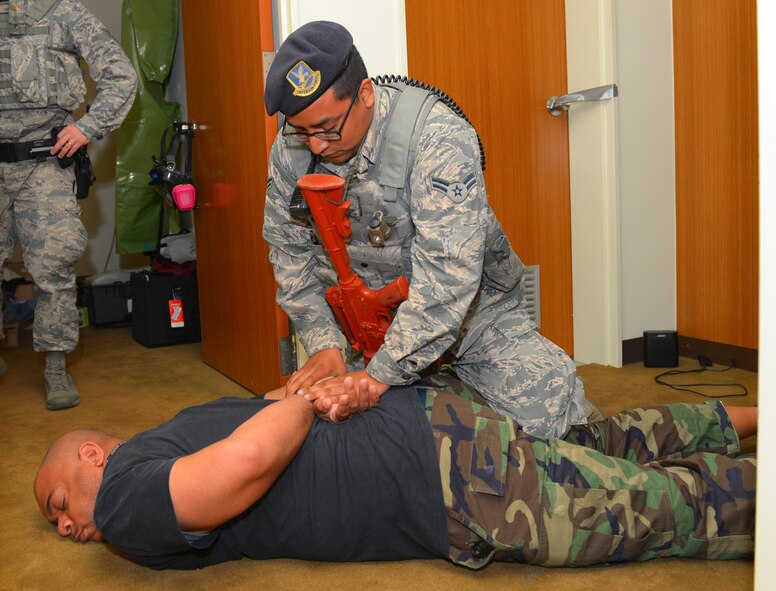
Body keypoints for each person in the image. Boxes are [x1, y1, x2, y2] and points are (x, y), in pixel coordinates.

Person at [34, 373, 756, 570]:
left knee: (667, 507)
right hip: (433, 427)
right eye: (56, 522)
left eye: (58, 501)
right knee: (603, 446)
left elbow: (254, 453)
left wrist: (305, 403)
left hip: (445, 478)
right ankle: (759, 411)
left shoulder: (127, 497)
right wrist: (292, 397)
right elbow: (261, 415)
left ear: (94, 454)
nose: (65, 525)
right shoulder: (173, 433)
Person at [262, 21, 588, 438]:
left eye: (326, 129)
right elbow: (289, 253)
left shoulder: (436, 139)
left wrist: (381, 375)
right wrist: (325, 343)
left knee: (551, 411)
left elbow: (449, 279)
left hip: (472, 318)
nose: (317, 146)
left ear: (365, 94)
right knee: (335, 433)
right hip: (362, 329)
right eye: (302, 131)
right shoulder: (294, 148)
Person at [0, 0, 137, 409]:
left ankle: (56, 367)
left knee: (54, 267)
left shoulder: (65, 13)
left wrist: (87, 127)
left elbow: (121, 75)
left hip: (43, 162)